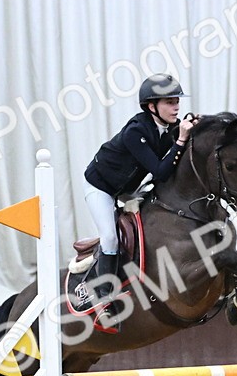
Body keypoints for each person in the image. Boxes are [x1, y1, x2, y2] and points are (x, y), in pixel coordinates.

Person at [83, 73, 199, 314]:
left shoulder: (170, 127)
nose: (176, 107)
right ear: (151, 106)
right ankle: (103, 297)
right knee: (110, 237)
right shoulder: (135, 132)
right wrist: (181, 141)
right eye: (169, 102)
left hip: (128, 188)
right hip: (101, 187)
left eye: (177, 101)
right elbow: (160, 172)